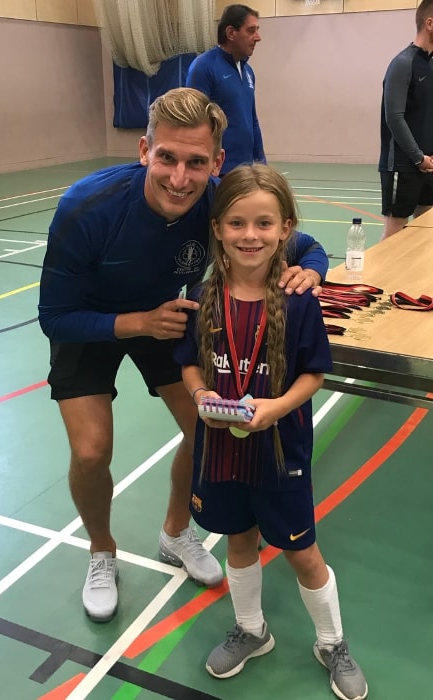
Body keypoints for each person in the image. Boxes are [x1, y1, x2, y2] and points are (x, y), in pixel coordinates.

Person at [38, 87, 329, 624]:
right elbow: (54, 317)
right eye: (167, 157)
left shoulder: (220, 201)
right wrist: (136, 324)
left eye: (196, 163)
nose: (179, 178)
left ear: (216, 163)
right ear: (145, 149)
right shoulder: (87, 208)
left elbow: (303, 244)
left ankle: (175, 532)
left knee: (207, 428)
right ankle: (101, 550)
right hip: (91, 324)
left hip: (167, 319)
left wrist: (312, 270)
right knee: (91, 452)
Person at [174, 164, 368, 700]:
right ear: (217, 229)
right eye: (236, 223)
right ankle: (252, 630)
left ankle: (332, 642)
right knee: (239, 539)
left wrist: (278, 406)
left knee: (302, 550)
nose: (250, 235)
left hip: (280, 451)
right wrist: (200, 396)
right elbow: (189, 363)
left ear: (286, 229)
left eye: (264, 223)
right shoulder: (205, 294)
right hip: (221, 450)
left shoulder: (299, 298)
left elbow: (315, 372)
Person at [186, 4, 265, 176]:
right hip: (217, 172)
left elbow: (252, 120)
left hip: (245, 171)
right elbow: (194, 123)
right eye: (251, 30)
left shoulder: (248, 72)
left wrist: (261, 163)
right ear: (231, 33)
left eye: (257, 30)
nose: (257, 37)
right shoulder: (203, 67)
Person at [379, 0, 433, 239]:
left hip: (429, 166)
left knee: (422, 236)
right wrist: (417, 157)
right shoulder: (403, 64)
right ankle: (377, 279)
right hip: (402, 166)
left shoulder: (430, 66)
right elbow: (394, 117)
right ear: (430, 23)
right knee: (394, 237)